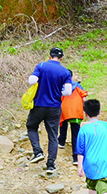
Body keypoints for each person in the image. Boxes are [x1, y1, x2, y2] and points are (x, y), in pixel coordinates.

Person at [24, 47, 74, 175]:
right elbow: (68, 91)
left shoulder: (41, 66)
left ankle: (38, 151)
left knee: (31, 126)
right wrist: (58, 92)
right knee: (53, 136)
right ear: (61, 58)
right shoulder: (65, 72)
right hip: (55, 107)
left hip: (39, 105)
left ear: (49, 56)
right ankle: (51, 165)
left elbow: (32, 80)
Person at [58, 78, 87, 157]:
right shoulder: (77, 86)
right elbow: (84, 98)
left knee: (63, 124)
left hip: (64, 111)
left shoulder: (61, 86)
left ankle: (61, 142)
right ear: (72, 77)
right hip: (76, 112)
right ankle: (75, 157)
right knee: (75, 134)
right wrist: (86, 110)